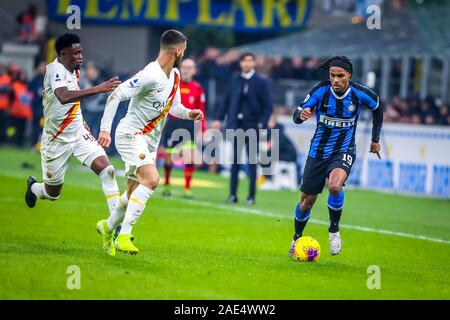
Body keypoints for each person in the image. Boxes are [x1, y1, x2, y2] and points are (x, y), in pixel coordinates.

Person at [98, 29, 204, 255]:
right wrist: (105, 130)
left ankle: (107, 226)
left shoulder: (174, 76)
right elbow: (116, 94)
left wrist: (189, 113)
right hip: (131, 134)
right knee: (152, 179)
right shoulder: (149, 75)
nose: (183, 54)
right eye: (183, 50)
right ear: (178, 51)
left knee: (131, 193)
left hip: (149, 142)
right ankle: (123, 235)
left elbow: (174, 107)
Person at [24, 33, 122, 256]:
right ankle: (33, 187)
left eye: (81, 51)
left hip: (78, 133)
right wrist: (98, 88)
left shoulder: (74, 70)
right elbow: (64, 96)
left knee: (107, 170)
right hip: (55, 140)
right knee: (52, 193)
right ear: (63, 54)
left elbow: (71, 104)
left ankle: (116, 225)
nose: (80, 56)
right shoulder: (54, 70)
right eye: (76, 53)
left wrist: (83, 121)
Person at [289, 56, 383, 257]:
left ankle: (333, 230)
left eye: (340, 76)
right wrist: (301, 116)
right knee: (306, 202)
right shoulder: (320, 90)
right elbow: (297, 112)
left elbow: (378, 107)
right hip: (318, 152)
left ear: (349, 75)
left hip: (344, 150)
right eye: (332, 75)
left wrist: (375, 139)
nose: (335, 80)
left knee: (334, 186)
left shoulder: (359, 93)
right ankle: (296, 238)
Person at [212, 52, 273, 205]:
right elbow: (226, 101)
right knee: (235, 162)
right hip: (236, 125)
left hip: (253, 126)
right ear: (240, 63)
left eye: (249, 61)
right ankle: (232, 195)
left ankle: (251, 196)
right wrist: (219, 118)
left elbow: (268, 106)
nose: (246, 64)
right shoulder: (234, 80)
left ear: (254, 63)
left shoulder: (261, 82)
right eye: (244, 61)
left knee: (252, 162)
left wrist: (262, 123)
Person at [161, 58, 206, 198]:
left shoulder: (198, 88)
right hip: (173, 124)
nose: (186, 70)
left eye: (189, 67)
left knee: (189, 158)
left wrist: (202, 129)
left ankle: (187, 188)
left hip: (189, 126)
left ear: (194, 70)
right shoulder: (173, 84)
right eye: (184, 67)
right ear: (180, 69)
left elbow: (202, 109)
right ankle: (167, 185)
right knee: (168, 158)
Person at [80, 62, 106, 139]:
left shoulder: (102, 82)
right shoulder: (83, 83)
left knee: (99, 132)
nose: (90, 72)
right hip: (87, 112)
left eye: (92, 70)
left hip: (100, 112)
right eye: (89, 70)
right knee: (86, 132)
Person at [9, 69, 33, 147]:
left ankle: (20, 144)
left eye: (24, 75)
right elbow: (11, 98)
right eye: (21, 75)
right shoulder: (15, 85)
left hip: (25, 113)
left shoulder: (28, 86)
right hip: (15, 112)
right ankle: (12, 142)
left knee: (22, 129)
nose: (23, 77)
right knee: (14, 129)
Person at [29, 62, 46, 146]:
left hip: (46, 109)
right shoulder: (34, 80)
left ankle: (44, 145)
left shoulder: (49, 79)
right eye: (40, 67)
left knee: (44, 128)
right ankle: (34, 144)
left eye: (43, 67)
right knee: (35, 127)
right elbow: (29, 92)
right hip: (36, 108)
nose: (42, 69)